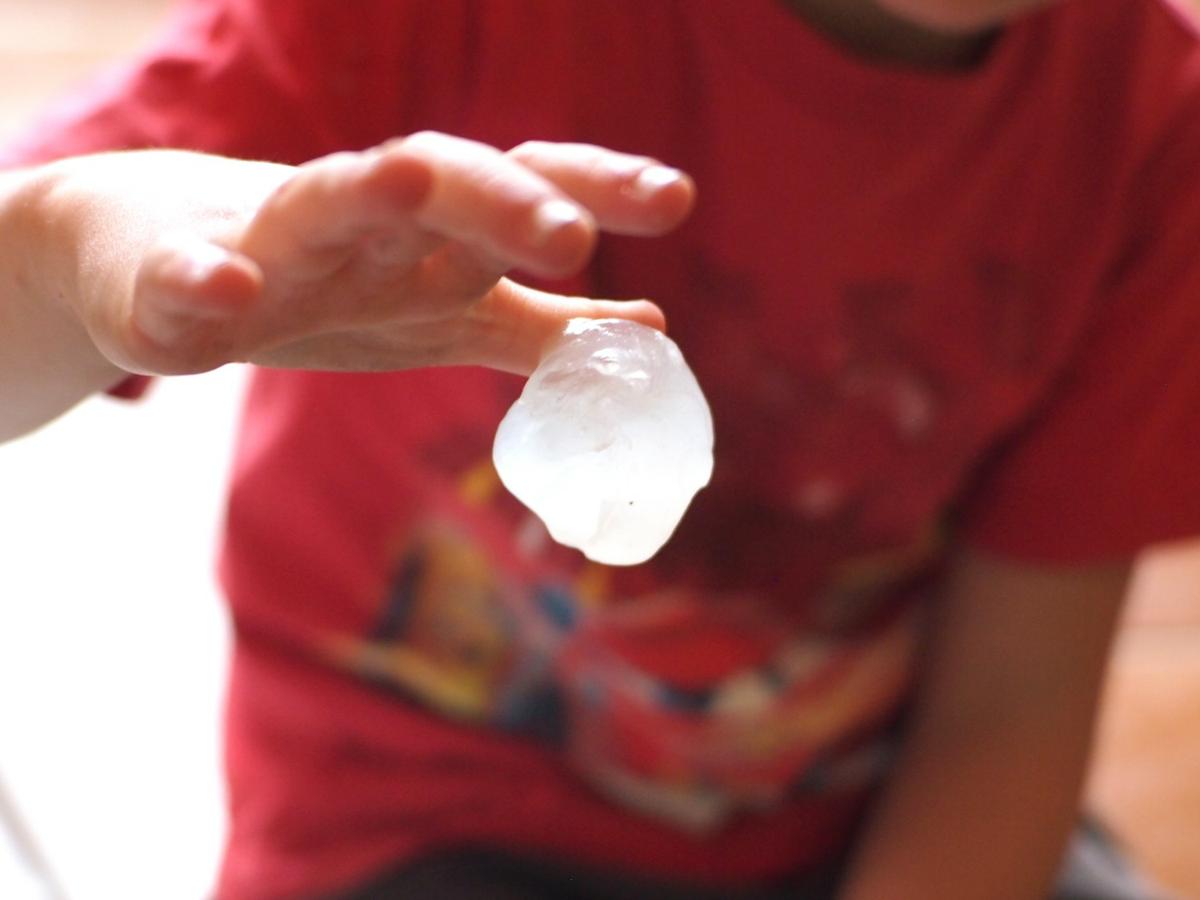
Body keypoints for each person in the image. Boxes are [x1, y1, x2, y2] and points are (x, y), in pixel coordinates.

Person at [1, 0, 1197, 896]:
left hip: (863, 812)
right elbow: (53, 269)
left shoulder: (1153, 136)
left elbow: (1013, 704)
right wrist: (58, 263)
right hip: (424, 827)